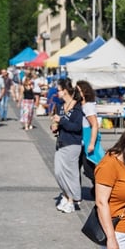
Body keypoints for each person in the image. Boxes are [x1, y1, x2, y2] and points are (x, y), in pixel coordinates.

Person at [51, 79, 84, 213]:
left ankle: (72, 200)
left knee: (71, 174)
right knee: (59, 172)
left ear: (65, 90)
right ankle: (66, 195)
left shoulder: (77, 107)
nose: (56, 92)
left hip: (73, 143)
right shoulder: (60, 106)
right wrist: (54, 126)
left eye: (58, 89)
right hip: (61, 142)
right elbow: (58, 123)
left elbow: (77, 127)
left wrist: (62, 121)